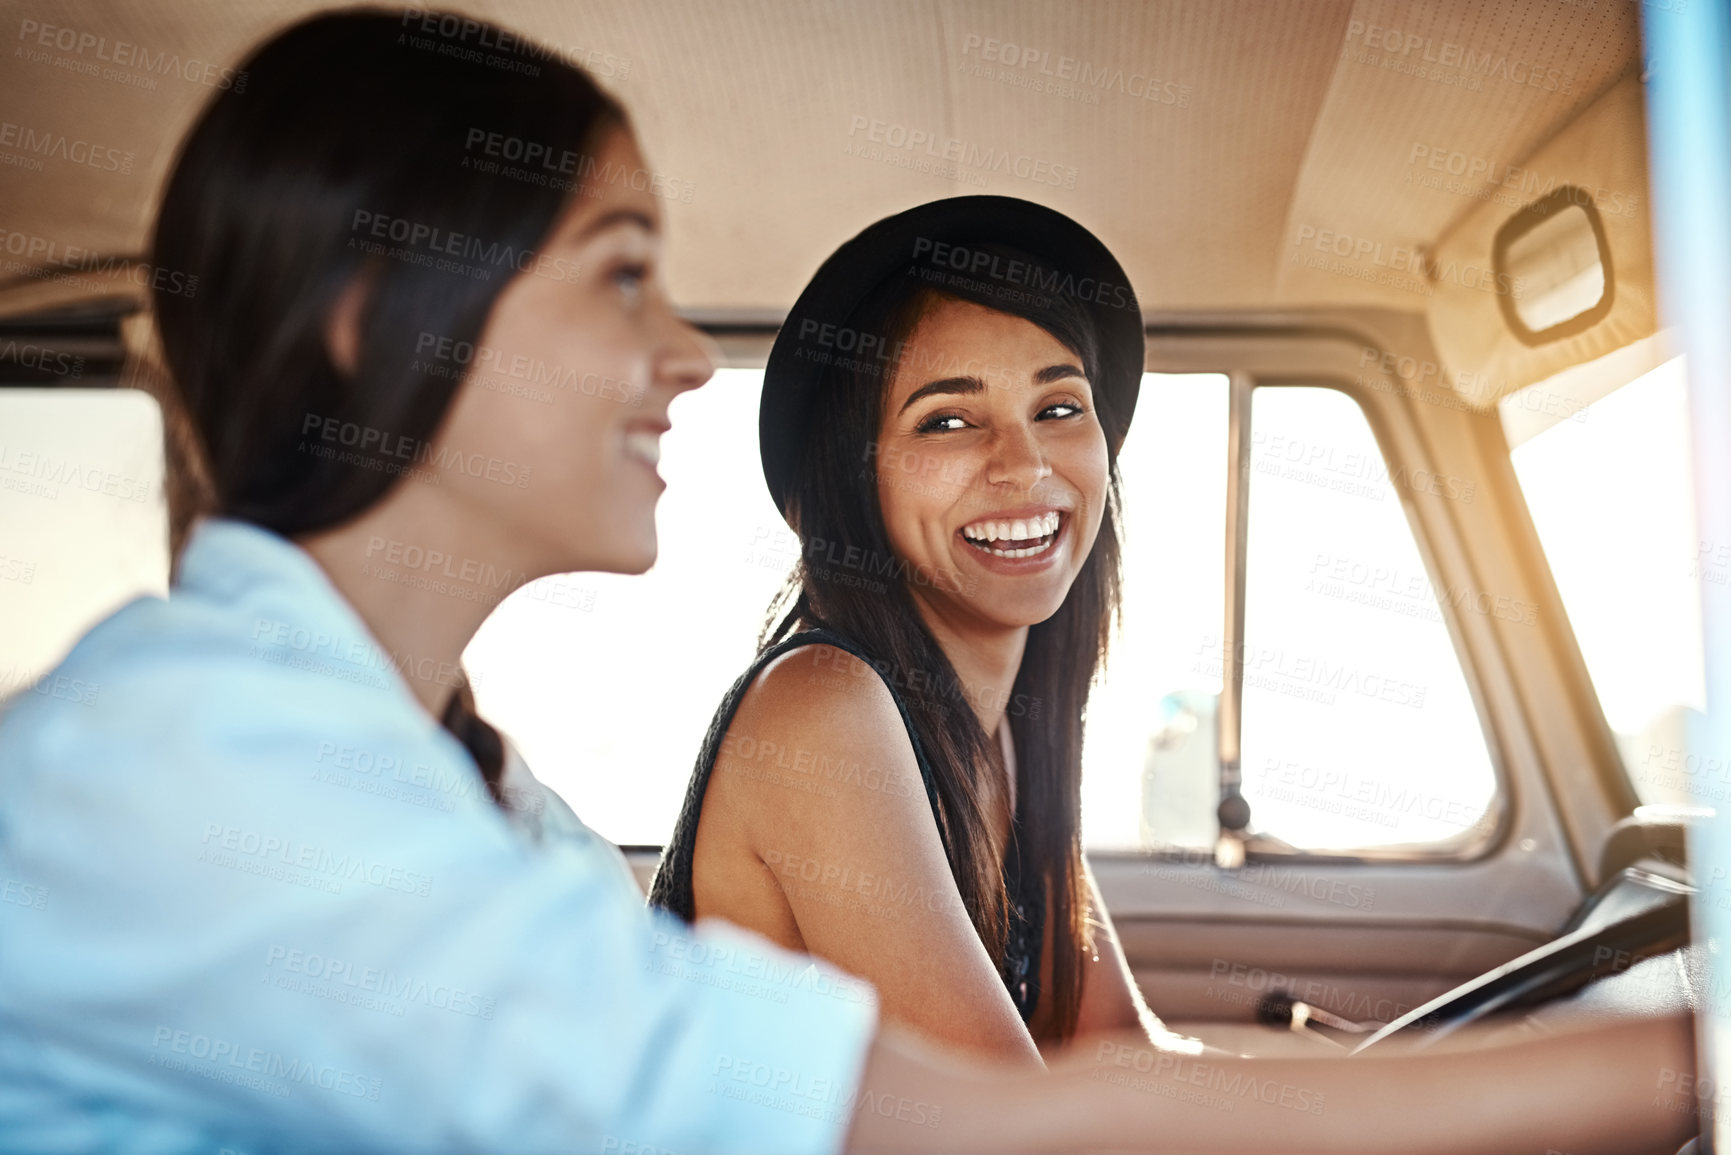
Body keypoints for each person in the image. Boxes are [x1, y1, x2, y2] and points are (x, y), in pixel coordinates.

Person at [0, 10, 1695, 1155]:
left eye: (1062, 412)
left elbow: (1089, 1081)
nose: (676, 357)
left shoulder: (465, 783)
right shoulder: (207, 764)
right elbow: (993, 1130)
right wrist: (1678, 1062)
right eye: (620, 282)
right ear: (376, 328)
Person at [649, 197, 1189, 1063]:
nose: (1026, 465)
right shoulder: (822, 712)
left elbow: (1118, 1050)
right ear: (850, 481)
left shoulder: (1008, 731)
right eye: (947, 419)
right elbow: (1017, 1127)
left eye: (1058, 407)